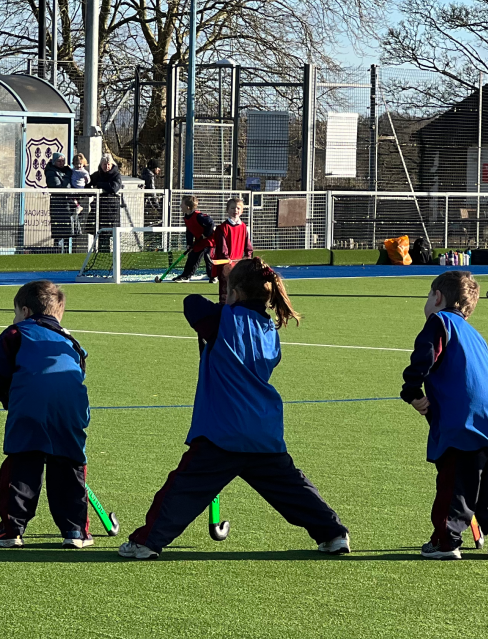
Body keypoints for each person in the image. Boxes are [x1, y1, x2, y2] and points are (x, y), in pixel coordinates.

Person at [119, 258, 350, 560]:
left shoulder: (221, 320)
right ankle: (333, 534)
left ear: (236, 293)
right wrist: (231, 296)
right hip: (263, 430)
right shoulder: (269, 330)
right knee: (293, 491)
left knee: (182, 491)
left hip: (222, 431)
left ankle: (146, 542)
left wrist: (225, 292)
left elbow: (192, 303)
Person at [400, 270, 488, 561]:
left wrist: (412, 391)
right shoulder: (475, 334)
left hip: (461, 419)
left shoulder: (438, 322)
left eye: (429, 295)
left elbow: (425, 355)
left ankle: (446, 540)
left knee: (455, 482)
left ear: (438, 297)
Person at [0, 280, 95, 550]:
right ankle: (76, 531)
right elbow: (79, 373)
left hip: (30, 407)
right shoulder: (72, 340)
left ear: (25, 311)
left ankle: (12, 530)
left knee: (23, 465)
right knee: (69, 467)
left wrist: (9, 397)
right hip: (72, 409)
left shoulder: (15, 332)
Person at [209, 197, 253, 301]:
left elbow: (248, 245)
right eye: (232, 208)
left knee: (239, 291)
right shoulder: (222, 228)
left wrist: (248, 257)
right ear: (227, 210)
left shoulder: (243, 227)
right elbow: (222, 249)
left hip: (239, 265)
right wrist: (227, 262)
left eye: (238, 208)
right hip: (226, 265)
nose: (235, 210)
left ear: (242, 211)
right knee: (226, 291)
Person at [171, 195, 214, 282]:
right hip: (199, 241)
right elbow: (189, 231)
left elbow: (211, 223)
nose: (180, 206)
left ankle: (213, 276)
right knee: (192, 257)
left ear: (188, 207)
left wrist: (206, 234)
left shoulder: (199, 216)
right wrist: (189, 244)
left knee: (208, 256)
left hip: (210, 240)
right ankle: (186, 276)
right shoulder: (186, 217)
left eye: (181, 204)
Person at [88, 154, 124, 244]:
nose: (106, 166)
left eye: (108, 164)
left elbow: (114, 188)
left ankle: (108, 254)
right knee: (99, 233)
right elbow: (88, 184)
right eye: (104, 164)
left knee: (108, 234)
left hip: (111, 210)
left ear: (112, 164)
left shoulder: (116, 175)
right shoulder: (96, 175)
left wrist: (99, 185)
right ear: (101, 165)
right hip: (99, 208)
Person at [43, 154, 76, 251]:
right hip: (58, 205)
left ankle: (66, 251)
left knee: (68, 230)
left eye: (63, 161)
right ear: (54, 162)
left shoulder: (67, 171)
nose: (61, 163)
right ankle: (57, 251)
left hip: (68, 204)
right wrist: (68, 178)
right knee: (59, 230)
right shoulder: (51, 172)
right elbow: (57, 187)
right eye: (59, 161)